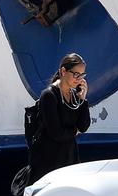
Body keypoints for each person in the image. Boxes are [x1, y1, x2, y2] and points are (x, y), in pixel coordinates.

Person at [28, 53, 91, 182]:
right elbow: (56, 133)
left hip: (69, 159)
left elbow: (83, 126)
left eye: (82, 75)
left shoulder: (74, 96)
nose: (79, 79)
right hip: (49, 162)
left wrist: (83, 100)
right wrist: (74, 131)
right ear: (63, 71)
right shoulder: (49, 95)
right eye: (76, 74)